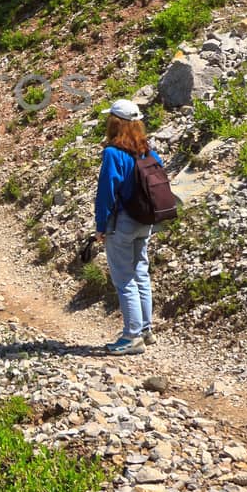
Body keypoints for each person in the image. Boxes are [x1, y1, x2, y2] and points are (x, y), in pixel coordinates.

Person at [94, 97, 163, 355]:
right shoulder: (148, 151)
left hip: (121, 222)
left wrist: (101, 226)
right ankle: (145, 330)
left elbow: (106, 193)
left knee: (124, 280)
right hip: (145, 221)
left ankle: (131, 337)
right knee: (140, 273)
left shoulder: (113, 153)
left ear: (115, 123)